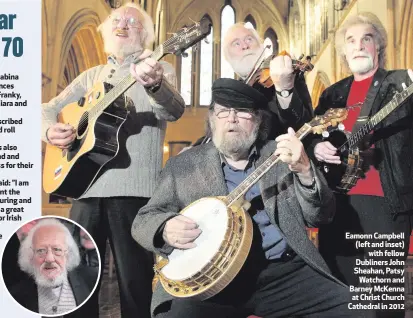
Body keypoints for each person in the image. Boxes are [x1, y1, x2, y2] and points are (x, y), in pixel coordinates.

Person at [131, 78, 356, 318]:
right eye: (223, 111)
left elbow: (320, 216)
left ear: (257, 121)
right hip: (213, 281)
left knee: (354, 309)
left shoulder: (282, 155)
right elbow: (143, 220)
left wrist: (304, 170)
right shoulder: (184, 165)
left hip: (282, 272)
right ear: (211, 119)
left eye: (242, 112)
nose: (232, 118)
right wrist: (164, 228)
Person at [41, 2, 185, 318]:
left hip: (133, 191)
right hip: (85, 190)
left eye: (132, 21)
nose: (122, 24)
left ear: (145, 34)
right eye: (116, 19)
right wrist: (49, 130)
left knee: (134, 283)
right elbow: (46, 108)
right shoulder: (91, 76)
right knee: (76, 279)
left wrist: (155, 84)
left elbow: (173, 110)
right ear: (106, 30)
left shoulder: (158, 66)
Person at [309, 12, 413, 317]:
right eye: (351, 41)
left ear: (378, 46)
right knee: (342, 295)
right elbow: (311, 135)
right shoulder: (332, 94)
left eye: (366, 38)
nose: (358, 46)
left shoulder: (401, 83)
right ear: (343, 52)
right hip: (339, 205)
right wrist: (317, 147)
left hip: (386, 203)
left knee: (381, 300)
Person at [192, 23, 313, 147]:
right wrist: (193, 149)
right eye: (236, 43)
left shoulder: (286, 75)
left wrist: (285, 89)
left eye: (249, 39)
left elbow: (305, 127)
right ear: (228, 57)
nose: (245, 46)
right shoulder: (231, 92)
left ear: (261, 45)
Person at [8, 219, 98, 317]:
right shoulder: (16, 296)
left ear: (68, 254)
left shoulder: (91, 281)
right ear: (31, 256)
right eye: (41, 250)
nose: (49, 259)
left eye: (57, 250)